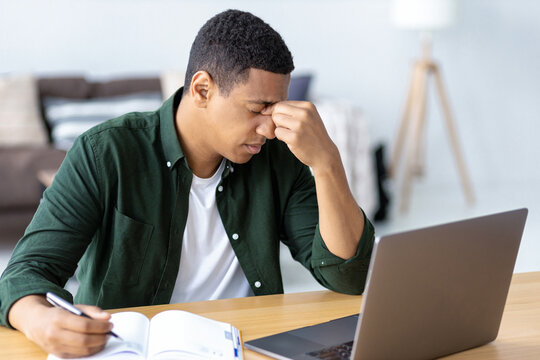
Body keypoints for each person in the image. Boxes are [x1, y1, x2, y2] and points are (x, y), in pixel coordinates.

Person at [0, 9, 375, 358]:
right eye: (256, 109)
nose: (269, 128)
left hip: (247, 345)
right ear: (202, 90)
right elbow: (25, 271)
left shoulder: (278, 157)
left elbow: (349, 275)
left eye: (276, 110)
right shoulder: (105, 152)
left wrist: (327, 163)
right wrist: (40, 319)